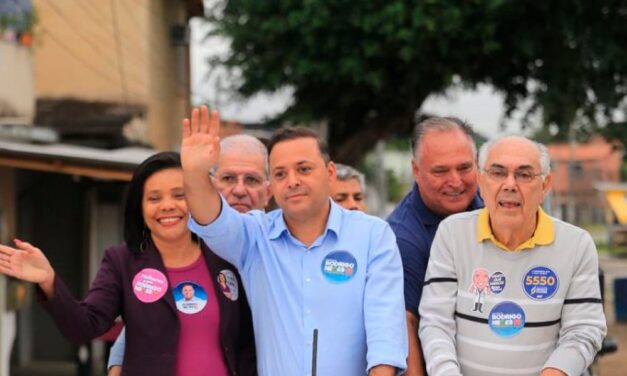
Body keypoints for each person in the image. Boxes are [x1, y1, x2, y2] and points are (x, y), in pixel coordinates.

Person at [182, 106, 407, 375]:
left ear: (330, 173)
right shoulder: (255, 236)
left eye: (303, 169)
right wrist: (195, 173)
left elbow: (385, 331)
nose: (292, 181)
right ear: (271, 186)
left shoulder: (373, 235)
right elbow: (211, 220)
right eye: (280, 174)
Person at [0, 152, 257, 376]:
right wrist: (49, 280)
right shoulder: (122, 262)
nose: (168, 206)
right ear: (140, 209)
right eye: (154, 198)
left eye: (180, 195)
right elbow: (85, 326)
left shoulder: (225, 255)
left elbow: (249, 340)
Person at [419, 135, 607, 376]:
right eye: (498, 173)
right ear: (480, 180)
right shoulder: (452, 234)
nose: (510, 185)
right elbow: (436, 322)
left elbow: (583, 330)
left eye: (524, 174)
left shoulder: (576, 244)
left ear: (545, 185)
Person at [107, 134, 270, 375]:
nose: (239, 189)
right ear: (208, 185)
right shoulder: (188, 248)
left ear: (269, 190)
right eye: (227, 178)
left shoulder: (284, 247)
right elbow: (148, 322)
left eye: (252, 180)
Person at [387, 117, 483, 375]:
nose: (455, 181)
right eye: (440, 171)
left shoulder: (496, 206)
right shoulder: (400, 238)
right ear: (416, 170)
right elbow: (405, 323)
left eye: (464, 167)